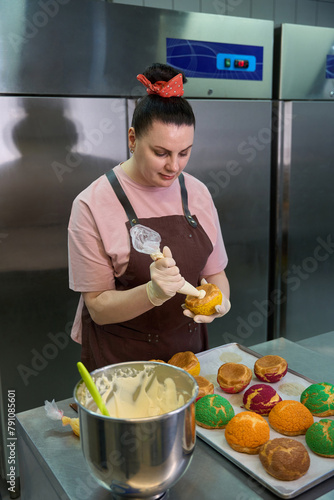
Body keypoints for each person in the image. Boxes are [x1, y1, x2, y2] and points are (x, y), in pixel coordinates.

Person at [68, 63, 231, 371]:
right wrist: (153, 292)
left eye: (184, 153)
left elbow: (216, 273)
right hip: (121, 364)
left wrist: (221, 301)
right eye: (161, 153)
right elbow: (98, 307)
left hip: (189, 358)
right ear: (132, 139)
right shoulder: (92, 204)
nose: (174, 166)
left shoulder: (197, 193)